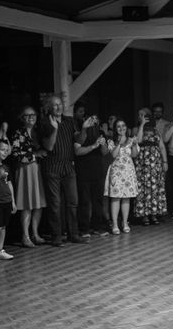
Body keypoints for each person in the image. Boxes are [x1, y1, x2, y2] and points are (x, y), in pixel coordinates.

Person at [39, 95, 89, 246]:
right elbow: (48, 147)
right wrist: (54, 130)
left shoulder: (69, 120)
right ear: (49, 107)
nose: (58, 107)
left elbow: (79, 140)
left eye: (59, 104)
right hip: (52, 166)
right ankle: (56, 236)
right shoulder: (44, 122)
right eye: (54, 105)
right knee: (55, 203)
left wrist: (84, 129)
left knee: (73, 202)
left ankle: (73, 234)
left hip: (68, 166)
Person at [10, 106, 48, 247]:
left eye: (33, 114)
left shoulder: (39, 132)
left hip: (38, 170)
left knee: (38, 204)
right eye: (27, 115)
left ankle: (35, 234)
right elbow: (15, 154)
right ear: (22, 118)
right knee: (27, 204)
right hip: (25, 170)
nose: (31, 117)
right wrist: (34, 155)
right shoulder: (18, 133)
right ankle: (25, 236)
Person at [74, 108, 110, 238]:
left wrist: (102, 144)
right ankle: (84, 229)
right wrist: (93, 146)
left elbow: (105, 152)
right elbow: (78, 151)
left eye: (96, 119)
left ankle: (97, 227)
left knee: (98, 201)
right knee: (84, 201)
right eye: (91, 119)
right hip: (83, 171)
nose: (93, 122)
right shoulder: (80, 133)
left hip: (98, 171)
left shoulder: (100, 133)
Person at [105, 118, 139, 234]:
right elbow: (113, 155)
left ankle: (125, 222)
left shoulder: (130, 139)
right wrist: (119, 143)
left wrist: (134, 145)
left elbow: (134, 155)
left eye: (123, 125)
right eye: (118, 126)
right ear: (115, 129)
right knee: (116, 198)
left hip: (128, 171)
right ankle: (114, 224)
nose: (121, 128)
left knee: (126, 198)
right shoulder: (111, 141)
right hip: (116, 171)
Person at [133, 108, 167, 225]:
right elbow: (139, 140)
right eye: (139, 115)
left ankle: (154, 213)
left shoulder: (156, 130)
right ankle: (144, 215)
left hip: (155, 163)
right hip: (143, 163)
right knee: (144, 188)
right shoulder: (136, 129)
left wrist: (165, 162)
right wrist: (142, 125)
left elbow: (161, 146)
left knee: (155, 187)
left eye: (143, 115)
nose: (140, 117)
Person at [0, 139, 17, 264]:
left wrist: (13, 201)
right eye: (2, 149)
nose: (4, 152)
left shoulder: (6, 166)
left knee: (3, 227)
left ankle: (0, 251)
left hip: (6, 200)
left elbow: (10, 184)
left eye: (6, 150)